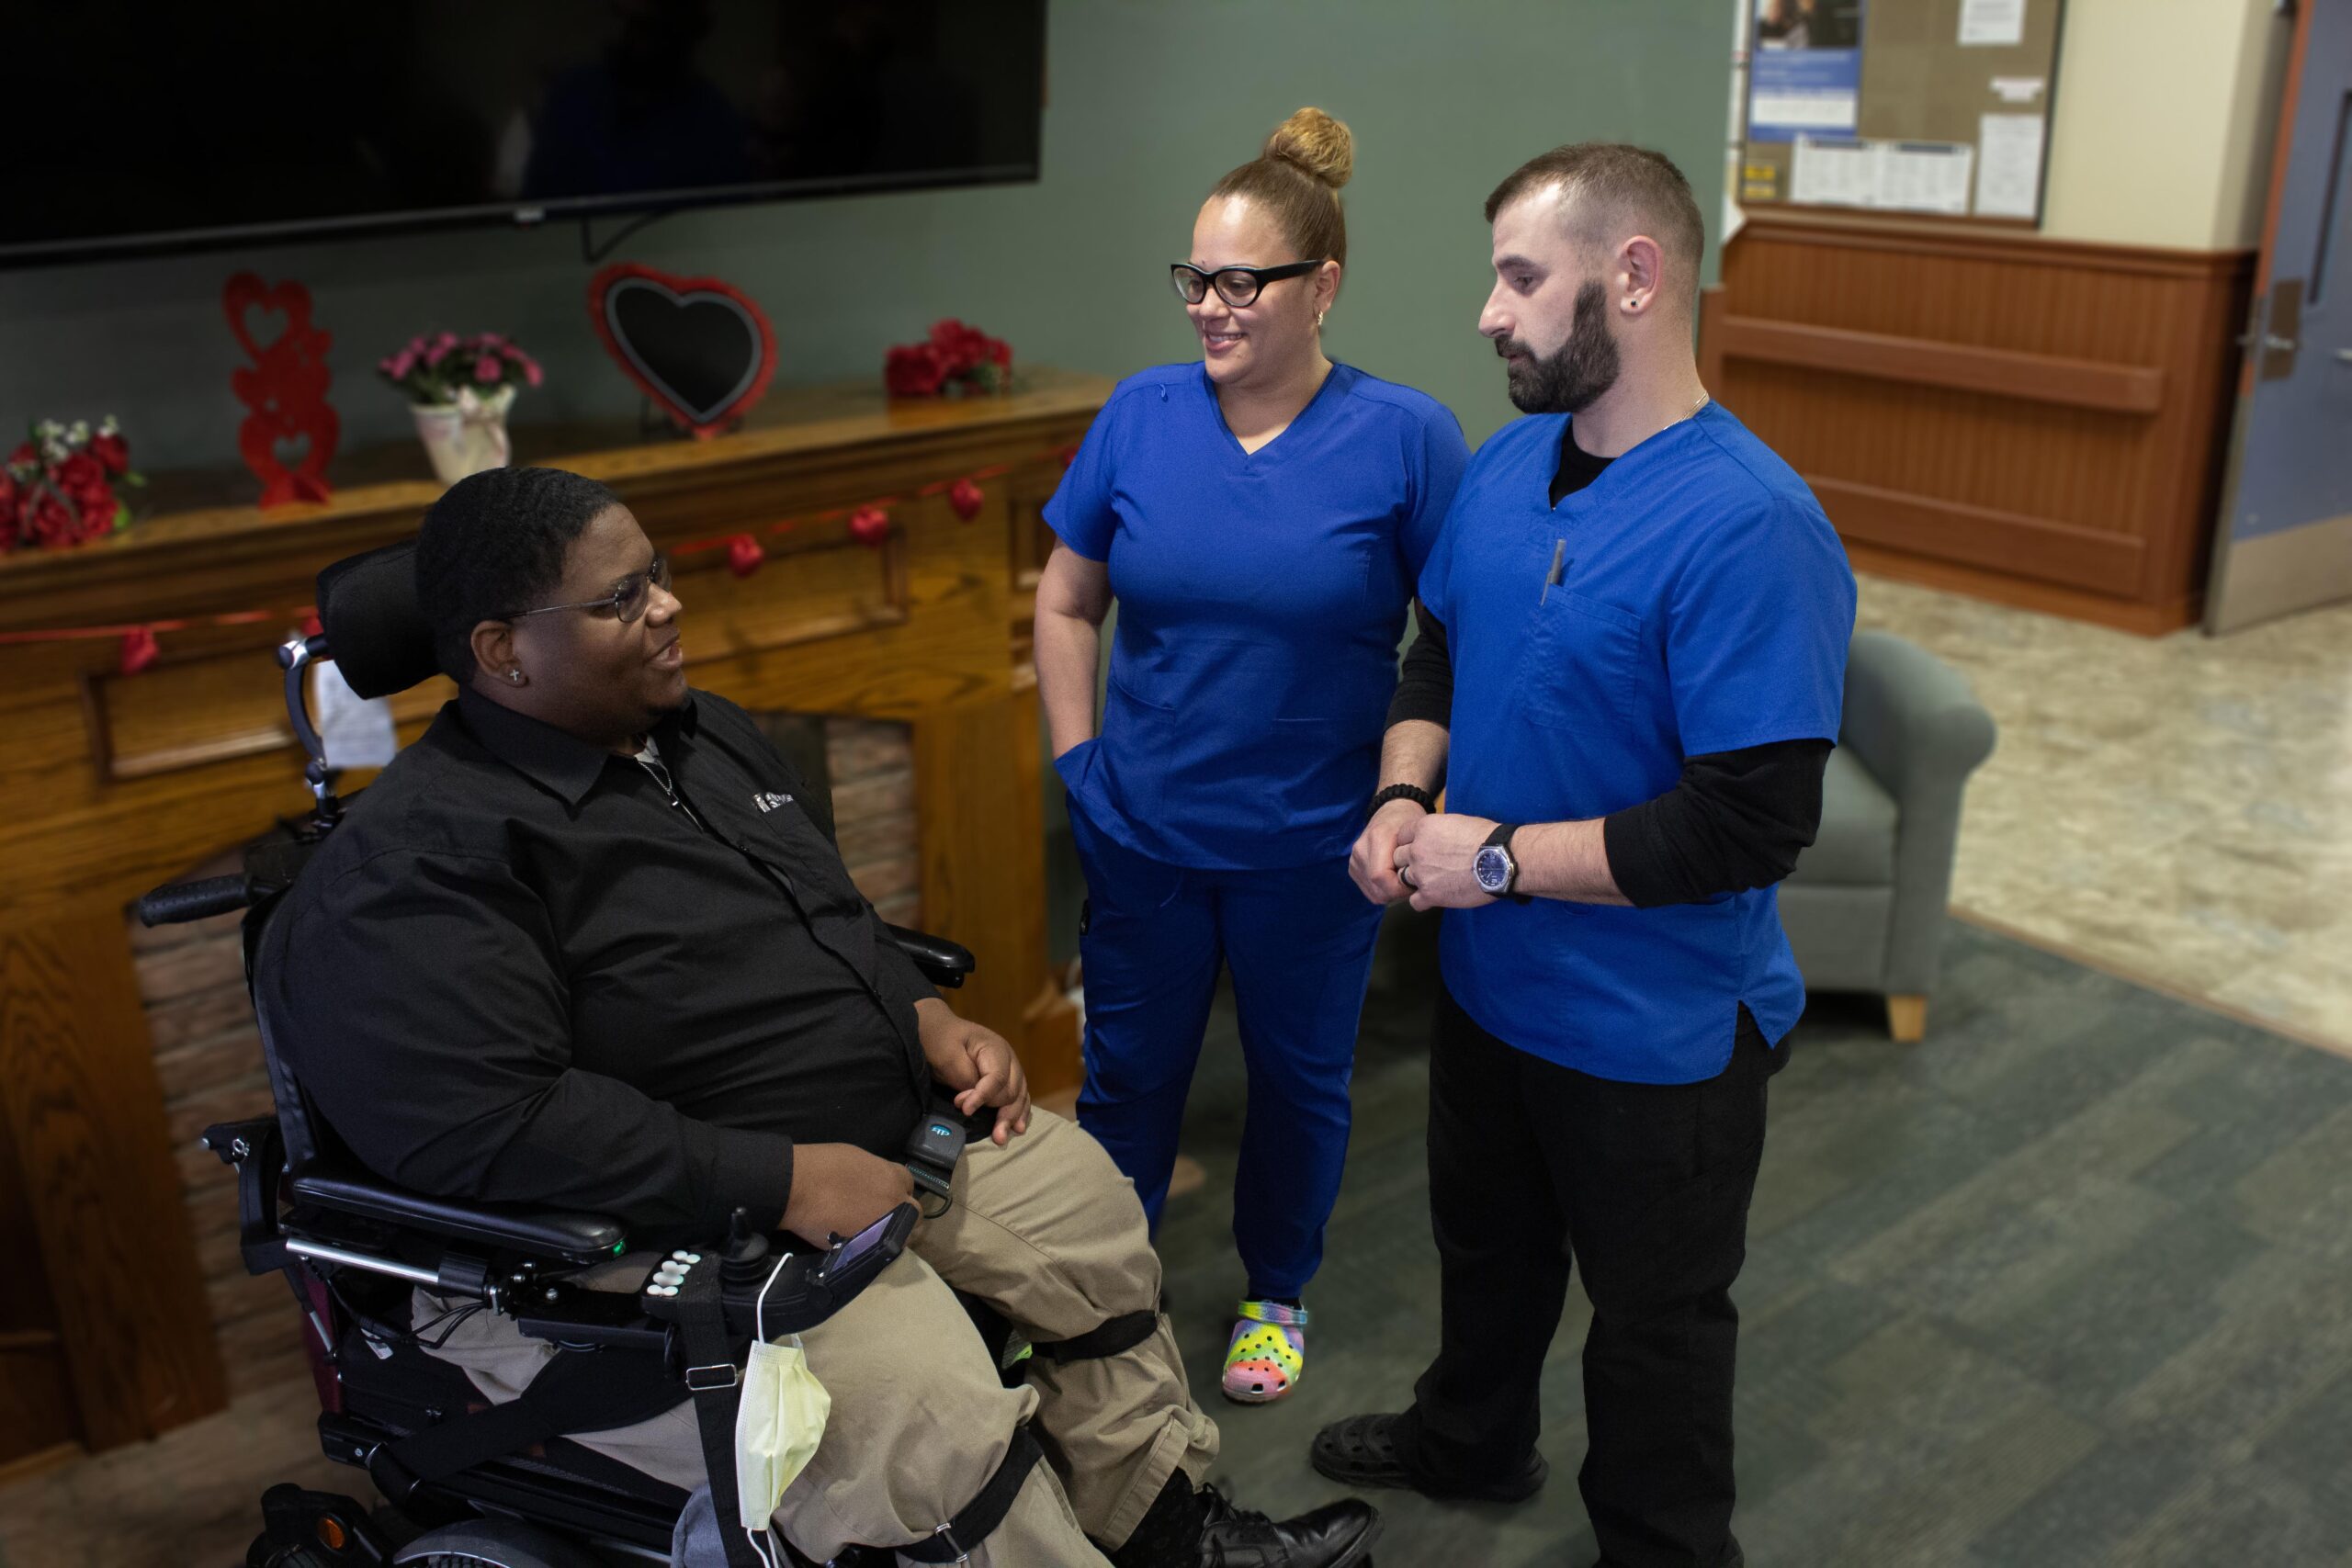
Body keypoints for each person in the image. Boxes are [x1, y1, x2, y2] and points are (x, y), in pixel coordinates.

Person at [261, 466, 1385, 1568]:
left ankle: (1165, 1534)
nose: (666, 606)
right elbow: (491, 1128)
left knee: (1084, 1218)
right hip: (659, 1232)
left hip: (876, 1148)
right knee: (917, 1402)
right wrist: (783, 1179)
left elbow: (831, 912)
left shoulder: (699, 739)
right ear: (503, 652)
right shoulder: (420, 866)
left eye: (653, 575)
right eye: (618, 601)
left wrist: (923, 1015)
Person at [1311, 145, 1856, 1568]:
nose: (1489, 313)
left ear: (1634, 274)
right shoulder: (1503, 466)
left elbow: (1749, 822)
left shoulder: (1752, 523)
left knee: (1653, 1341)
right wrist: (1398, 794)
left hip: (1659, 1031)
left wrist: (1484, 858)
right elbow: (1438, 649)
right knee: (1485, 1264)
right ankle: (1468, 1436)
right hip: (1496, 999)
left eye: (1519, 277)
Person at [1034, 107, 1469, 1405]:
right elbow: (1065, 600)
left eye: (1242, 283)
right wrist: (1080, 768)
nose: (1210, 308)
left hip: (1311, 849)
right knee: (1129, 1082)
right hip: (1146, 831)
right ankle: (1105, 1298)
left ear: (1322, 286)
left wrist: (1402, 798)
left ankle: (1275, 1290)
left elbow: (1442, 644)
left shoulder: (1406, 437)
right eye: (1196, 280)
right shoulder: (1140, 413)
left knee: (1297, 1082)